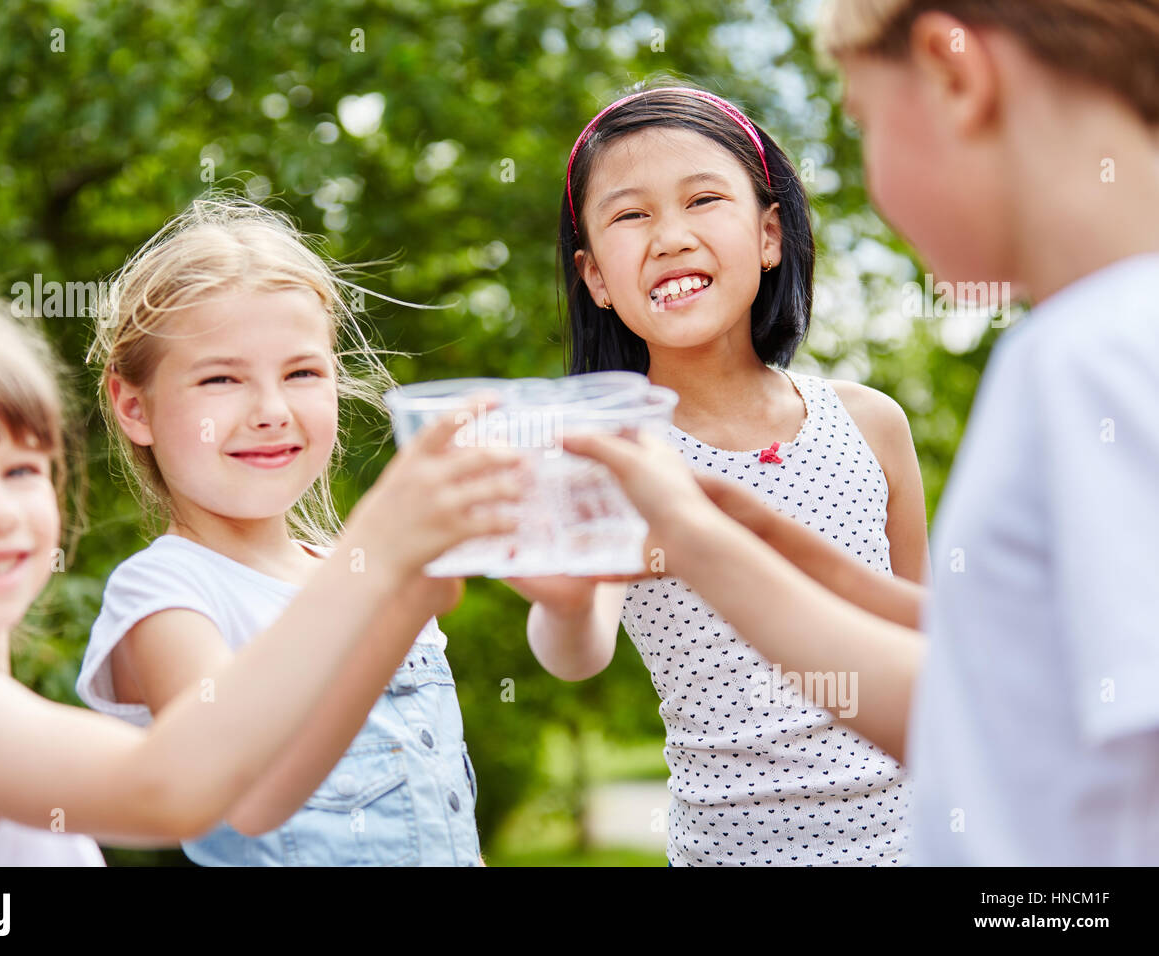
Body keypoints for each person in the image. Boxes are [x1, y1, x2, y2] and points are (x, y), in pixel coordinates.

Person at [563, 0, 1159, 865]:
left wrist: (697, 539)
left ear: (954, 74)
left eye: (864, 120)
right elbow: (992, 683)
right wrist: (767, 543)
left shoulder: (1093, 355)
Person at [0, 279, 522, 865]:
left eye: (21, 470)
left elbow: (255, 797)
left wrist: (399, 595)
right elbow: (172, 789)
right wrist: (375, 552)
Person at [511, 85, 930, 865]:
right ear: (596, 276)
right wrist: (564, 605)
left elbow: (924, 635)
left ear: (770, 234)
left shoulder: (871, 423)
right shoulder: (609, 453)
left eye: (703, 199)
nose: (669, 237)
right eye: (630, 215)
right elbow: (578, 651)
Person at [77, 198, 487, 865]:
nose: (270, 411)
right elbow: (250, 797)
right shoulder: (165, 592)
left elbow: (444, 817)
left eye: (301, 372)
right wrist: (389, 584)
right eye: (220, 378)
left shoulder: (370, 574)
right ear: (133, 406)